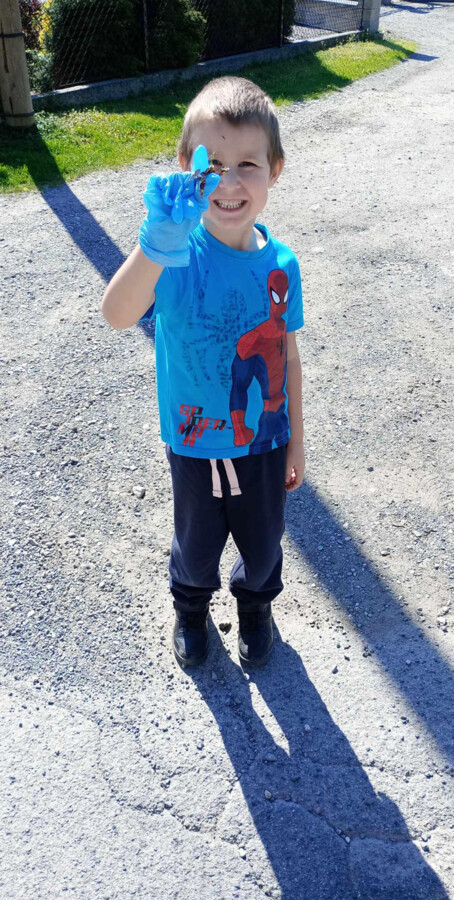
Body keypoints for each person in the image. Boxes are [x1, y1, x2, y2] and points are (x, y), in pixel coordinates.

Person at [102, 76, 304, 668]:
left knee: (263, 546)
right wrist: (154, 245)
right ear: (187, 169)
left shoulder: (282, 263)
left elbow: (288, 355)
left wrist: (297, 440)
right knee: (195, 546)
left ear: (275, 171)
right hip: (194, 443)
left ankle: (256, 607)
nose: (230, 182)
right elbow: (117, 313)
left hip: (264, 441)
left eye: (248, 164)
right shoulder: (174, 252)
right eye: (212, 165)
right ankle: (190, 610)